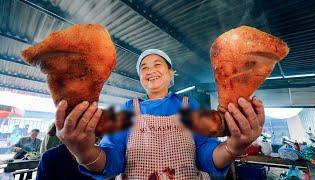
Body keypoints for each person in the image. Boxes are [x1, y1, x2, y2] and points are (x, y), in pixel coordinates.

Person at [55, 49, 265, 179]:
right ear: (140, 78)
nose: (150, 70)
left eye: (157, 65)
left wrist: (233, 146)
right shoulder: (127, 108)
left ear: (170, 73)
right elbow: (113, 160)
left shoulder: (188, 105)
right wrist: (83, 152)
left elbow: (205, 156)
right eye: (144, 67)